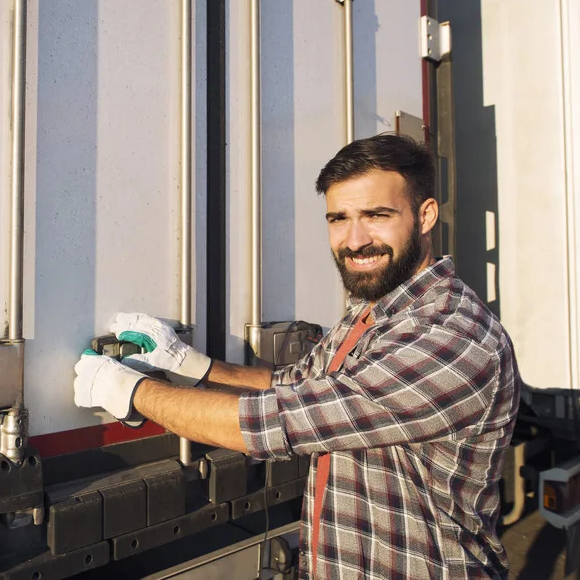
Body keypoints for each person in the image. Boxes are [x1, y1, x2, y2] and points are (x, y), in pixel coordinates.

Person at [73, 133, 521, 580]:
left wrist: (131, 390)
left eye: (376, 215)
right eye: (338, 218)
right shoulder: (373, 312)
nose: (354, 239)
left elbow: (276, 421)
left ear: (425, 216)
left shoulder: (451, 337)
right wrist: (191, 364)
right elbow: (298, 386)